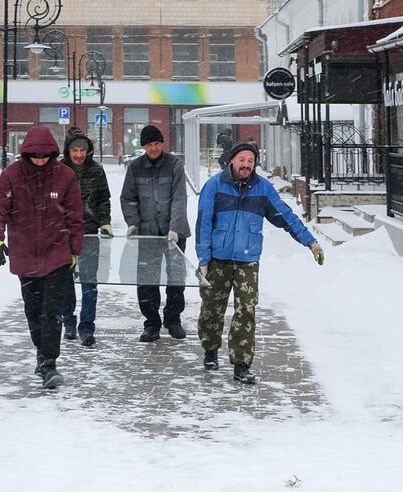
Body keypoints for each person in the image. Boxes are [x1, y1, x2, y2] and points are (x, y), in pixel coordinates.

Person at [195, 141, 324, 384]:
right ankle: (210, 349)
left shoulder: (262, 189)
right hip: (217, 260)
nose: (246, 165)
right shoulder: (214, 186)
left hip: (247, 261)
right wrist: (203, 259)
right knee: (211, 309)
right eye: (242, 160)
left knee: (246, 311)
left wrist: (311, 242)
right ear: (232, 161)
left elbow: (286, 216)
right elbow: (203, 224)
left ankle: (241, 364)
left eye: (251, 161)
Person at [0, 126, 84, 389]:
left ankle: (49, 363)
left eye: (45, 155)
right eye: (35, 155)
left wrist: (74, 250)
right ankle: (42, 355)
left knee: (51, 312)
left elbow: (74, 216)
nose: (40, 160)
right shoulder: (11, 177)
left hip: (57, 255)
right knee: (33, 312)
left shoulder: (65, 176)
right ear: (26, 153)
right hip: (25, 255)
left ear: (52, 153)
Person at [120, 125, 192, 342]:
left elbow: (180, 198)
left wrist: (175, 228)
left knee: (176, 278)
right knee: (147, 279)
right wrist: (133, 223)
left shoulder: (174, 165)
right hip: (147, 234)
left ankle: (173, 319)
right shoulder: (135, 168)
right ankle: (151, 323)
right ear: (144, 146)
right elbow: (128, 198)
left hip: (174, 234)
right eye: (150, 144)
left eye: (157, 143)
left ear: (162, 144)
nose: (154, 147)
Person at [60, 127, 113, 347]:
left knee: (89, 282)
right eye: (75, 150)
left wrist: (105, 221)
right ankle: (68, 323)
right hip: (63, 235)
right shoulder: (59, 170)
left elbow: (103, 199)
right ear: (68, 151)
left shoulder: (97, 170)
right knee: (64, 282)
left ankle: (87, 327)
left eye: (83, 150)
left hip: (89, 233)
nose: (79, 154)